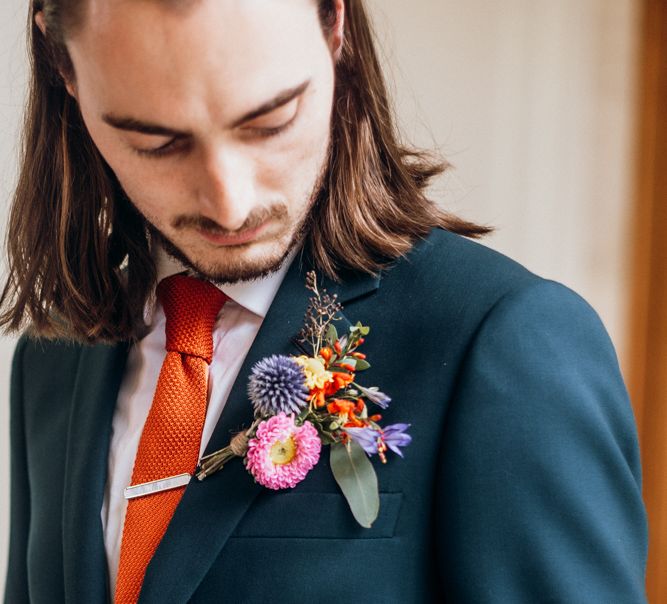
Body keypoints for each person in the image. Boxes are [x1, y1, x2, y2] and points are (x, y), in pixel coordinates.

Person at [1, 0, 648, 602]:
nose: (229, 202)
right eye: (157, 143)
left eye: (269, 122)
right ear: (64, 68)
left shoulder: (503, 341)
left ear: (334, 22)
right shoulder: (53, 355)